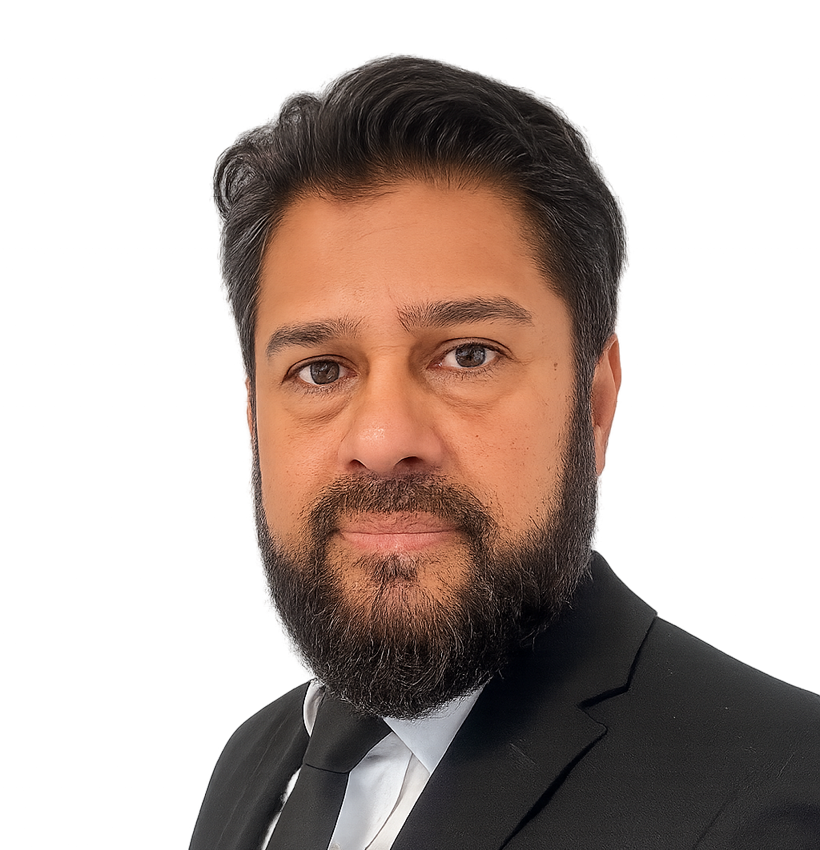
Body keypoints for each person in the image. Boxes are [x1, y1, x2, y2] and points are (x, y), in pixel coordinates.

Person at [189, 53, 820, 849]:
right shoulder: (257, 760)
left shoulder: (785, 803)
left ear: (596, 399)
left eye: (468, 355)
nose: (382, 441)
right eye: (320, 370)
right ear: (251, 414)